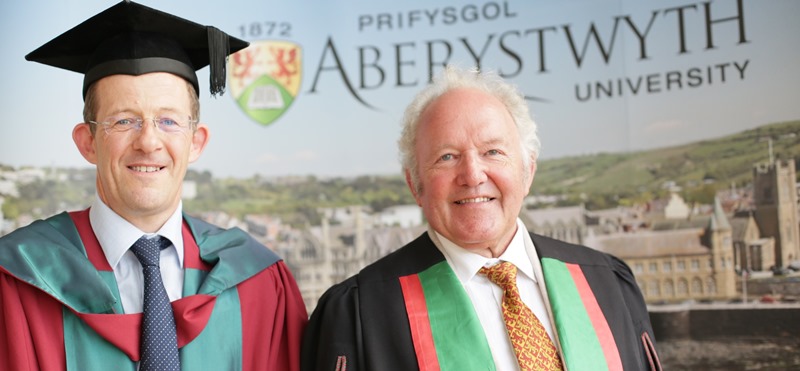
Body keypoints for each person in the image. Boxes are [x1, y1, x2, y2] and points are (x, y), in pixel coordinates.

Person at [0, 2, 307, 370]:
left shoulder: (257, 280)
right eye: (124, 121)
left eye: (168, 121)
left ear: (196, 142)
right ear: (87, 142)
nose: (148, 141)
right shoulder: (18, 278)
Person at [301, 65, 662, 371]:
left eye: (493, 151)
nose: (472, 175)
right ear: (415, 184)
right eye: (446, 157)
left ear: (527, 171)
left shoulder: (607, 284)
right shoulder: (358, 313)